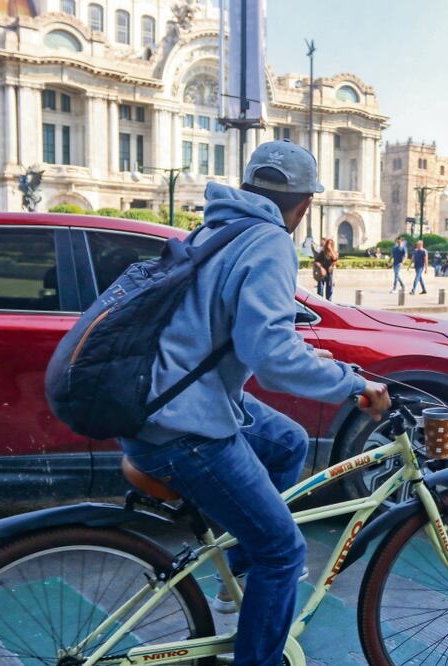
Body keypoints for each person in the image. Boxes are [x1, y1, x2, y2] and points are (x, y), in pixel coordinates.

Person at [119, 140, 391, 665]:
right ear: (305, 204)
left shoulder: (213, 229)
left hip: (156, 405)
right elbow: (269, 355)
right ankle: (260, 581)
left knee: (287, 440)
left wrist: (316, 358)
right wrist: (352, 383)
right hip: (184, 429)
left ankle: (237, 574)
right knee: (284, 552)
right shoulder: (268, 240)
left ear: (247, 187)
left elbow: (249, 332)